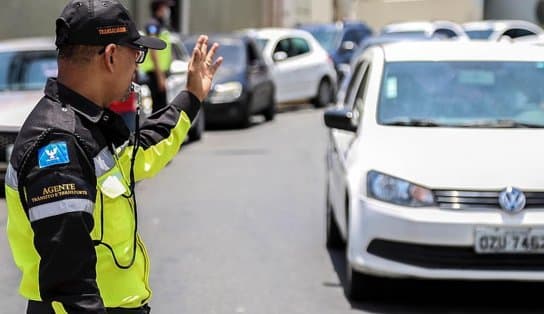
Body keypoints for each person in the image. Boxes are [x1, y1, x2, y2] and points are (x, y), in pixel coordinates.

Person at [4, 0, 222, 313]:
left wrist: (191, 97)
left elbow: (143, 152)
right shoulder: (59, 143)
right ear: (110, 56)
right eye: (136, 56)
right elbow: (71, 285)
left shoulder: (86, 125)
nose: (136, 70)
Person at [140, 0, 175, 113]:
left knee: (161, 106)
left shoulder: (160, 25)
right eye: (166, 7)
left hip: (159, 73)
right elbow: (153, 50)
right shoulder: (153, 24)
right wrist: (160, 76)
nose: (168, 10)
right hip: (154, 73)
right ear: (160, 8)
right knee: (158, 109)